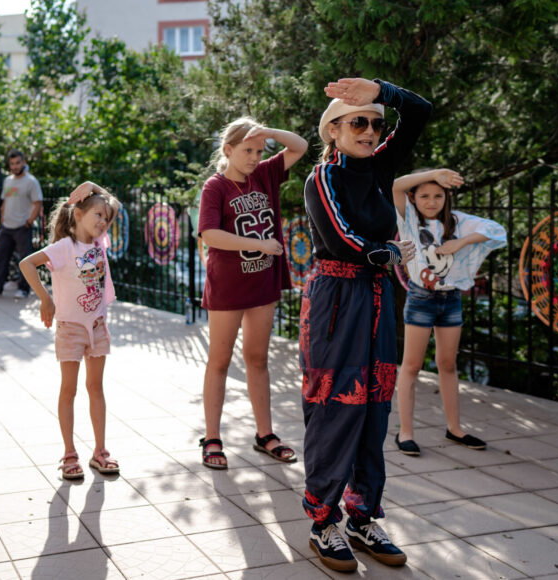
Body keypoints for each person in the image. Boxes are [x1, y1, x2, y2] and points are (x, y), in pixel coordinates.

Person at [299, 77, 429, 571]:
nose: (371, 130)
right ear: (332, 131)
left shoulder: (380, 166)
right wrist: (389, 252)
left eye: (376, 123)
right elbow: (342, 239)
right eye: (359, 121)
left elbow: (419, 111)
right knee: (336, 408)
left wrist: (380, 90)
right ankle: (323, 520)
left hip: (378, 296)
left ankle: (362, 513)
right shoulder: (323, 178)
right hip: (336, 301)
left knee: (375, 409)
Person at [197, 117, 307, 469]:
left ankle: (265, 434)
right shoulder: (215, 187)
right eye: (247, 150)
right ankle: (212, 438)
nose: (254, 157)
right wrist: (256, 243)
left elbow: (301, 146)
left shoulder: (264, 175)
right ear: (228, 150)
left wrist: (270, 133)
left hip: (263, 285)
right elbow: (210, 235)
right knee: (220, 361)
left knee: (257, 359)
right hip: (228, 287)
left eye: (259, 151)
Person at [393, 168, 507, 456]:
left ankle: (455, 428)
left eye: (438, 196)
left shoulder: (458, 222)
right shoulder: (408, 221)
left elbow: (497, 230)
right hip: (421, 298)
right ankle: (405, 432)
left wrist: (462, 241)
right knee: (412, 365)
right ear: (414, 198)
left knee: (447, 364)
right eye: (425, 196)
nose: (432, 201)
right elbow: (394, 185)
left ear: (446, 198)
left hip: (450, 299)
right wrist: (433, 174)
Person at [19, 181, 121, 477]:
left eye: (105, 218)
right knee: (69, 389)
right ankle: (69, 454)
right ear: (77, 214)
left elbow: (117, 207)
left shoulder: (99, 243)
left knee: (96, 388)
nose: (103, 222)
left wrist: (93, 187)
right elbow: (27, 264)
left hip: (97, 327)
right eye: (97, 215)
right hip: (70, 329)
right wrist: (45, 299)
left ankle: (100, 452)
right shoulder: (65, 247)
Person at [0, 149, 43, 298]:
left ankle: (24, 289)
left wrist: (29, 222)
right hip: (7, 227)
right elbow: (4, 202)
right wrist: (2, 220)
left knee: (25, 260)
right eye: (12, 164)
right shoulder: (8, 180)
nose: (15, 166)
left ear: (24, 162)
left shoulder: (31, 181)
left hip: (23, 227)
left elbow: (38, 203)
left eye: (18, 163)